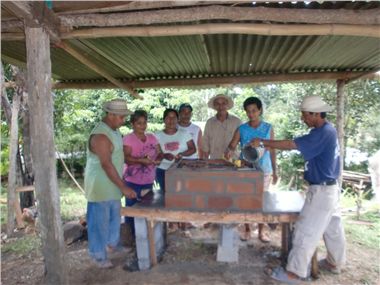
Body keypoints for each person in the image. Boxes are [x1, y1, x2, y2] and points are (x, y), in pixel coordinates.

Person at [250, 95, 346, 283]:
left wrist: (264, 142)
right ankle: (335, 263)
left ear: (316, 114)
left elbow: (292, 144)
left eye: (305, 115)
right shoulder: (328, 130)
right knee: (332, 227)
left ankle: (294, 273)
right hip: (330, 188)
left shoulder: (322, 133)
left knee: (305, 231)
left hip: (321, 191)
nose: (303, 119)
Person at [84, 99, 137, 269]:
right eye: (121, 117)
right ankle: (98, 255)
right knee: (99, 222)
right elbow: (106, 164)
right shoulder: (100, 135)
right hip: (100, 185)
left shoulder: (114, 131)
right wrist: (123, 186)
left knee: (114, 217)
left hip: (112, 183)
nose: (123, 120)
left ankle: (112, 245)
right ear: (111, 114)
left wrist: (120, 184)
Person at [225, 97, 277, 243]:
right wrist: (229, 151)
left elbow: (272, 150)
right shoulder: (241, 129)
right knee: (246, 200)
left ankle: (261, 230)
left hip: (264, 169)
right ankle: (247, 229)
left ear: (260, 110)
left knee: (262, 201)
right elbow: (232, 146)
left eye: (254, 110)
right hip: (246, 169)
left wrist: (275, 171)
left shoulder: (268, 128)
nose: (251, 114)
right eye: (248, 111)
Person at [123, 110, 161, 236]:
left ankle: (144, 236)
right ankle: (130, 235)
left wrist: (158, 159)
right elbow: (126, 158)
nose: (142, 126)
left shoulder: (152, 137)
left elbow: (160, 152)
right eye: (139, 123)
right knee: (131, 209)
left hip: (148, 180)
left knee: (146, 208)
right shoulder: (128, 139)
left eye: (144, 123)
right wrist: (141, 161)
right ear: (132, 124)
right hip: (132, 181)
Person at [155, 108, 196, 192]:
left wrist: (182, 154)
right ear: (164, 120)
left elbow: (193, 149)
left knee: (182, 196)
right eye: (168, 118)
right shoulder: (156, 135)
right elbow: (156, 153)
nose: (171, 120)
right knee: (166, 196)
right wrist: (164, 155)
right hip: (163, 170)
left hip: (181, 170)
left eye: (174, 118)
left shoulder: (184, 133)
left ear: (178, 119)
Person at [202, 94, 242, 159]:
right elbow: (205, 141)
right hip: (215, 160)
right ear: (214, 106)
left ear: (227, 105)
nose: (221, 106)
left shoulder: (237, 121)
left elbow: (242, 140)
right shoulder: (209, 123)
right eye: (217, 104)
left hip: (233, 161)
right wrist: (206, 159)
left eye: (223, 103)